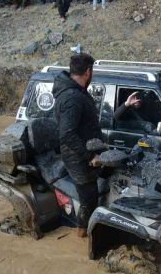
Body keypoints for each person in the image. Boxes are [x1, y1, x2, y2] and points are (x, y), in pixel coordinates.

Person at [52, 53, 104, 238]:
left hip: (86, 151)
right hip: (77, 157)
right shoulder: (72, 97)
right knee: (89, 199)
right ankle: (82, 234)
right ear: (88, 71)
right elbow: (66, 134)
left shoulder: (77, 92)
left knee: (97, 192)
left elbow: (87, 125)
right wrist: (90, 156)